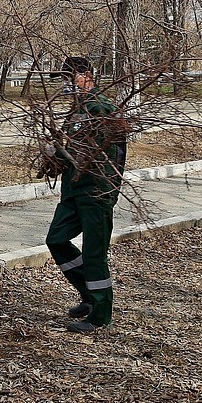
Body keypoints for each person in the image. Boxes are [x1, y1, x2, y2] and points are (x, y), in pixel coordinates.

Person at [43, 56, 127, 334]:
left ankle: (100, 314)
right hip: (73, 191)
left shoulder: (101, 108)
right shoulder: (77, 110)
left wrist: (69, 158)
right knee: (56, 239)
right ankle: (88, 293)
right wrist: (55, 159)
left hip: (95, 193)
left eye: (69, 78)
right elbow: (75, 151)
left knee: (94, 253)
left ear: (86, 76)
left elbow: (104, 155)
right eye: (63, 80)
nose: (66, 85)